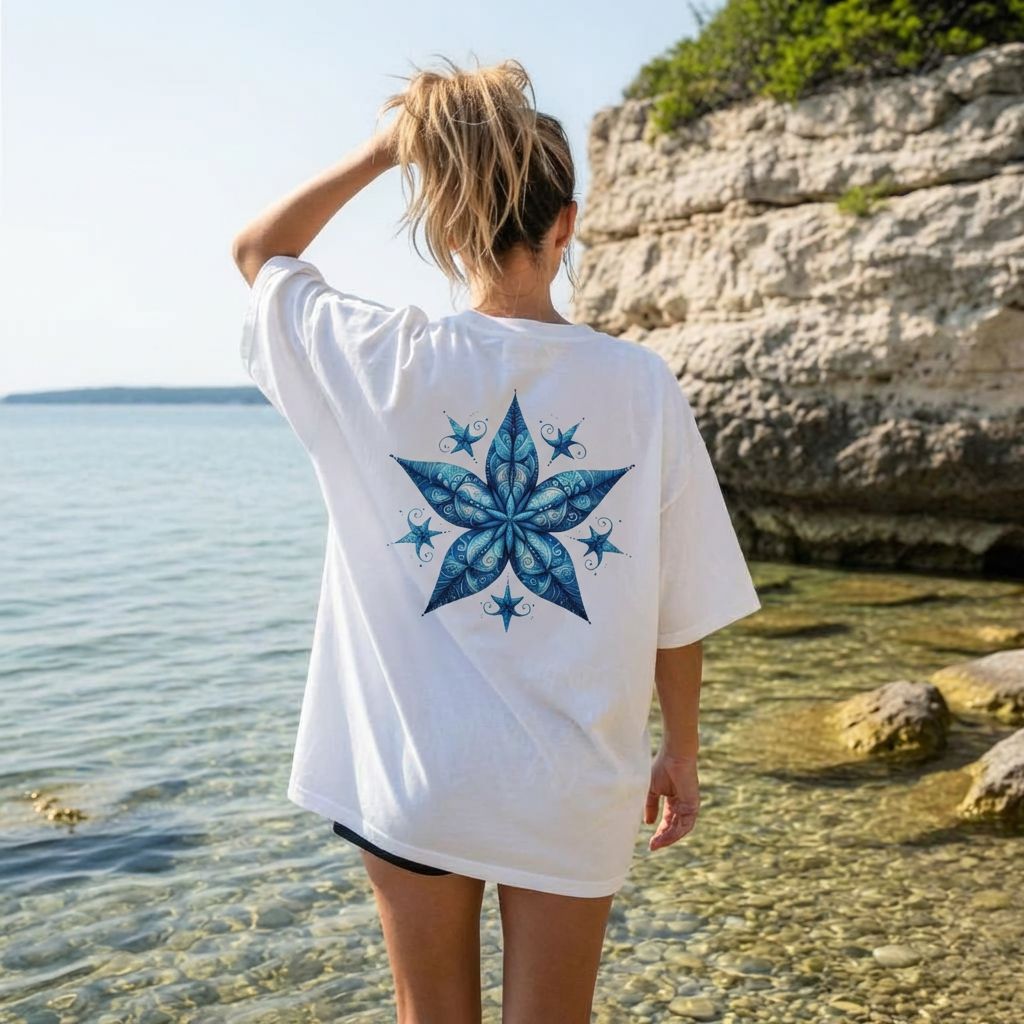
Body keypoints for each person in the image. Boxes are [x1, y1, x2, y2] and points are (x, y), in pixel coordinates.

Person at [232, 55, 761, 1024]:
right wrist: (680, 750)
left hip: (416, 773)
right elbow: (680, 598)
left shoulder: (380, 359)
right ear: (566, 226)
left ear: (448, 227)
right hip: (573, 780)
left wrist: (391, 147)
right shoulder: (639, 383)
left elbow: (262, 252)